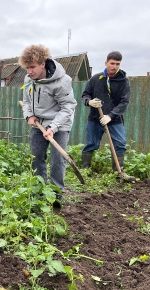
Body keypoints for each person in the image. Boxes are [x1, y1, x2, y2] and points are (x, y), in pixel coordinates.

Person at [19, 44, 77, 202]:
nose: (29, 71)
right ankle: (39, 190)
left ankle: (57, 194)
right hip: (38, 123)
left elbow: (68, 106)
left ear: (43, 63)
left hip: (60, 123)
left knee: (57, 159)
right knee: (36, 157)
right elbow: (26, 100)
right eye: (27, 68)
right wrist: (29, 115)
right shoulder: (29, 79)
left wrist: (53, 127)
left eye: (32, 67)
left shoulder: (61, 82)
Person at [81, 51, 134, 179]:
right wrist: (90, 102)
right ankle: (85, 170)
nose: (114, 66)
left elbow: (124, 102)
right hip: (95, 118)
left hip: (114, 120)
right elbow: (85, 95)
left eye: (117, 64)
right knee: (90, 144)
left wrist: (110, 115)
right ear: (106, 63)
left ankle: (119, 173)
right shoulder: (95, 79)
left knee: (120, 144)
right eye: (112, 63)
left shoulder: (123, 81)